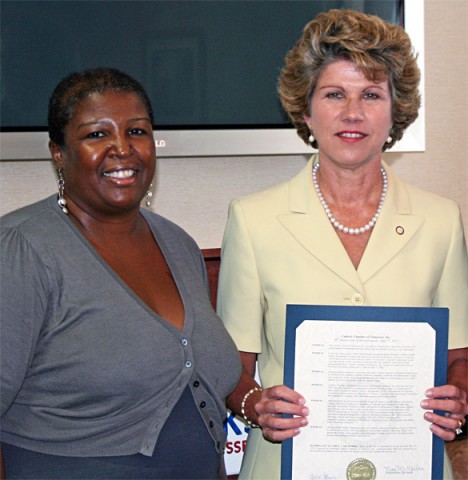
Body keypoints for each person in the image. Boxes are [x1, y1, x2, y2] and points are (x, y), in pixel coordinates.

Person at [216, 9, 468, 480]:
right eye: (335, 94)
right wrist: (256, 404)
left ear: (396, 111)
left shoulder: (441, 220)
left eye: (371, 95)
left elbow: (458, 355)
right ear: (306, 110)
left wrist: (458, 393)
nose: (353, 113)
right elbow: (234, 368)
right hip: (283, 464)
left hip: (410, 463)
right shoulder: (253, 219)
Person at [0, 67, 242, 479]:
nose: (122, 148)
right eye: (97, 134)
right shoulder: (22, 250)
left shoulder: (178, 245)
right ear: (58, 152)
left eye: (137, 132)